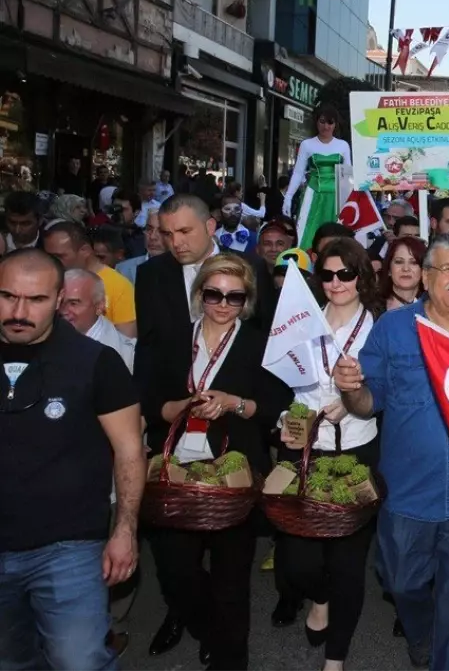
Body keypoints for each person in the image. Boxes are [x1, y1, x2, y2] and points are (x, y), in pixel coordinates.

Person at [333, 233, 449, 670]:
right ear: (427, 277)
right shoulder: (394, 329)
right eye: (448, 269)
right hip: (408, 494)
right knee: (402, 582)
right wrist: (350, 388)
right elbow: (366, 403)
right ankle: (420, 633)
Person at [142, 253, 292, 670]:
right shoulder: (171, 338)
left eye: (234, 297)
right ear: (199, 293)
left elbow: (277, 406)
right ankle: (209, 629)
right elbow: (148, 399)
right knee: (176, 572)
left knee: (231, 581)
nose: (223, 305)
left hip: (235, 472)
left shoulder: (260, 343)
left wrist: (233, 403)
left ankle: (230, 659)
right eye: (213, 295)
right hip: (175, 474)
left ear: (246, 300)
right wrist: (177, 408)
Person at [0, 249, 143, 671]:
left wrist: (126, 530)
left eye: (36, 300)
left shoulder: (96, 362)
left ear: (59, 299)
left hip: (69, 546)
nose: (19, 312)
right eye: (7, 297)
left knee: (78, 660)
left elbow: (130, 450)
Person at [275, 239, 381, 671]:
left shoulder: (380, 325)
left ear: (361, 277)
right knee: (298, 559)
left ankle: (335, 656)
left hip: (357, 448)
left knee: (348, 560)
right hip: (307, 449)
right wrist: (287, 417)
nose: (337, 283)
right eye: (328, 275)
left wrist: (353, 398)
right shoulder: (301, 321)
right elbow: (284, 381)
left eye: (346, 274)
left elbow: (384, 390)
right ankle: (318, 597)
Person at [43, 221, 137, 338]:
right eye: (48, 256)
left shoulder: (119, 286)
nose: (51, 262)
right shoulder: (47, 281)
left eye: (59, 256)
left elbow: (126, 341)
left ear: (85, 250)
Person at [283, 105, 355, 249]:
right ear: (316, 122)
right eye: (322, 121)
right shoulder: (307, 144)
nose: (326, 126)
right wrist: (288, 197)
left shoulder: (343, 145)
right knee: (306, 232)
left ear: (335, 124)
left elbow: (348, 175)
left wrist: (352, 199)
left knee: (338, 234)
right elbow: (298, 172)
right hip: (313, 194)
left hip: (337, 197)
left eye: (330, 122)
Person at [60, 268, 136, 371]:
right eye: (60, 302)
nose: (63, 311)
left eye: (73, 303)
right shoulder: (42, 344)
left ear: (100, 306)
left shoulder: (129, 356)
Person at [116, 208, 164, 285]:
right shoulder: (122, 269)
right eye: (149, 229)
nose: (152, 237)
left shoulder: (184, 269)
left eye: (161, 231)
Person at [380, 236, 425, 310]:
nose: (406, 269)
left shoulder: (435, 308)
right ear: (389, 270)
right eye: (399, 262)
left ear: (423, 270)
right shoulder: (373, 310)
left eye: (413, 262)